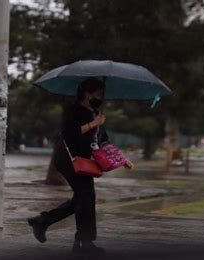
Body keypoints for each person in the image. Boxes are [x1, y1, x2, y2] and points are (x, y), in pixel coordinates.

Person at [27, 78, 134, 254]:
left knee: (83, 198)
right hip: (68, 159)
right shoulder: (74, 110)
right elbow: (69, 133)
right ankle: (83, 242)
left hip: (84, 161)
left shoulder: (96, 112)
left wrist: (122, 159)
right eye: (98, 94)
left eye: (102, 94)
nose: (101, 97)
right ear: (86, 93)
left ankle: (46, 224)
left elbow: (103, 140)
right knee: (86, 197)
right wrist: (93, 123)